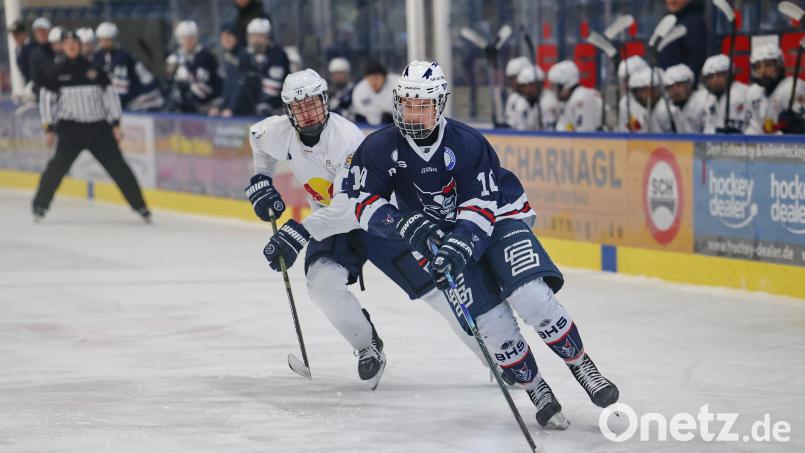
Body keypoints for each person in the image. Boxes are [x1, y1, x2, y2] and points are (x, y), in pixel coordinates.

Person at [347, 60, 619, 428]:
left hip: (498, 219)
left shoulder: (467, 142)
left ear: (439, 104)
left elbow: (481, 205)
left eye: (422, 104)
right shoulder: (379, 147)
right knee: (490, 323)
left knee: (530, 295)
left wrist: (460, 242)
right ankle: (537, 389)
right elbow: (364, 204)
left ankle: (582, 366)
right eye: (408, 103)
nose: (413, 112)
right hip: (438, 236)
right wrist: (403, 223)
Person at [246, 69, 484, 390]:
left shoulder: (346, 139)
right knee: (321, 284)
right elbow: (256, 138)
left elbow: (349, 208)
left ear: (326, 101)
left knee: (435, 289)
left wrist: (299, 233)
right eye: (299, 107)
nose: (308, 112)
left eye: (314, 103)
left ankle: (495, 357)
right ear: (288, 110)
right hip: (329, 224)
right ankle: (366, 345)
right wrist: (261, 178)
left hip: (381, 217)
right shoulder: (279, 133)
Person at [33, 30, 150, 223]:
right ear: (63, 46)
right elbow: (46, 100)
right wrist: (48, 127)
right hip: (71, 130)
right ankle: (40, 205)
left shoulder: (95, 69)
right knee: (56, 169)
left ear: (80, 46)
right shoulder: (55, 72)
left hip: (98, 129)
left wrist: (116, 123)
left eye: (75, 42)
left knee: (119, 168)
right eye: (67, 43)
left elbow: (110, 97)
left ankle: (141, 206)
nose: (71, 46)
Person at [223, 18, 290, 117]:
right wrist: (231, 107)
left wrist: (260, 104)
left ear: (267, 37)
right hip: (251, 110)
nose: (256, 40)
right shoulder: (244, 56)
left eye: (260, 36)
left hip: (276, 110)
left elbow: (273, 88)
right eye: (253, 36)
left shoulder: (278, 55)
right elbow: (239, 85)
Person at [93, 22, 163, 111]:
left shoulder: (121, 56)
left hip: (144, 99)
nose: (104, 42)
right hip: (131, 98)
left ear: (114, 39)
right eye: (102, 39)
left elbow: (121, 90)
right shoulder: (99, 55)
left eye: (108, 39)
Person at [745, 43, 805, 135]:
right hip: (766, 147)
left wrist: (801, 127)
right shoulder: (753, 92)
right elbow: (753, 130)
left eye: (768, 65)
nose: (763, 71)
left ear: (780, 66)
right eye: (758, 67)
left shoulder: (794, 88)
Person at [165, 20, 223, 114]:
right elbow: (170, 80)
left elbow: (201, 86)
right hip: (188, 106)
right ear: (179, 39)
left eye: (191, 37)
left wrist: (181, 70)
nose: (188, 41)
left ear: (196, 38)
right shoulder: (176, 56)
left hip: (209, 104)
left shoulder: (205, 56)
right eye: (184, 38)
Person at [658, 0, 708, 81]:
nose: (671, 1)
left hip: (678, 88)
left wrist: (681, 85)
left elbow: (696, 60)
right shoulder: (669, 21)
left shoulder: (694, 22)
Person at [700, 54, 750, 134]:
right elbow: (708, 131)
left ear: (731, 75)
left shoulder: (742, 93)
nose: (715, 81)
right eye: (711, 77)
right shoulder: (710, 98)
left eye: (719, 75)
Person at [547, 60, 603, 131]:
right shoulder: (569, 100)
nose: (554, 92)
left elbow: (584, 134)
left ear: (566, 85)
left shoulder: (581, 98)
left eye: (556, 87)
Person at [655, 64, 708, 133]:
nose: (675, 91)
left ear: (689, 85)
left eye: (679, 85)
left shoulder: (704, 101)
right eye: (670, 87)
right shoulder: (666, 108)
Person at [351, 59, 396, 125]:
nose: (374, 82)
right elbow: (360, 113)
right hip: (370, 128)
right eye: (370, 78)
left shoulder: (398, 85)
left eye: (377, 78)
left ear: (385, 77)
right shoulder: (359, 91)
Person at [619, 67, 664, 133]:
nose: (644, 95)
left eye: (647, 90)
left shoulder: (665, 108)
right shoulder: (627, 104)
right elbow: (635, 130)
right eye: (640, 91)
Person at [209, 24, 241, 116]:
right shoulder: (227, 56)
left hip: (241, 113)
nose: (226, 39)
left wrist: (231, 108)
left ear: (236, 37)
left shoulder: (243, 57)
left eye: (229, 36)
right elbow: (228, 88)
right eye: (223, 36)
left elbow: (241, 87)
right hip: (228, 110)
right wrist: (220, 107)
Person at [508, 65, 545, 131]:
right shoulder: (520, 102)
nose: (523, 89)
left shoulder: (546, 102)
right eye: (522, 86)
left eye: (525, 85)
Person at [28, 17, 54, 98]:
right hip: (44, 96)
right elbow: (35, 80)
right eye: (37, 32)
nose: (41, 34)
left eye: (43, 31)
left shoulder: (59, 50)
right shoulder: (34, 54)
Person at [503, 56, 531, 127]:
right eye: (510, 79)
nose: (512, 82)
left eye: (514, 78)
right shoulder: (513, 98)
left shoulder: (538, 100)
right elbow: (511, 124)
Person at [8, 19, 35, 84]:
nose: (14, 38)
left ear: (24, 33)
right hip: (28, 84)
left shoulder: (34, 47)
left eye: (17, 34)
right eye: (13, 35)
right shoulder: (17, 50)